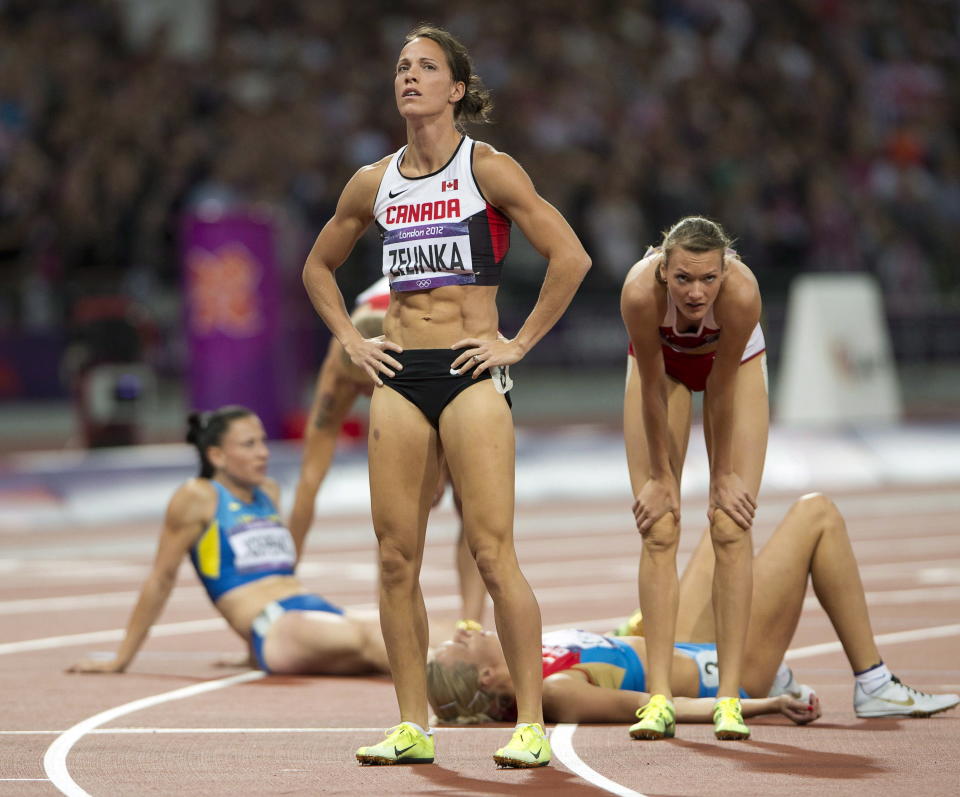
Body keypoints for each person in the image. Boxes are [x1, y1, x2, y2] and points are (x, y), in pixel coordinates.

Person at [301, 24, 591, 768]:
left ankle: (529, 723)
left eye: (426, 67)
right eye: (401, 66)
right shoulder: (374, 180)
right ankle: (410, 723)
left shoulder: (486, 169)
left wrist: (517, 341)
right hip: (399, 377)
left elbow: (571, 255)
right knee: (396, 558)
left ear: (456, 89)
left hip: (469, 374)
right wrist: (352, 339)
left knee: (493, 554)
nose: (409, 76)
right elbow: (317, 267)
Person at [427, 493, 959, 729]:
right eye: (463, 642)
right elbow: (660, 709)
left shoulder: (530, 656)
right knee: (816, 513)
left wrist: (633, 626)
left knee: (726, 519)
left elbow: (612, 649)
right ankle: (874, 683)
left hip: (684, 642)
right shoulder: (555, 692)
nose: (468, 629)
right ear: (491, 676)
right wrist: (766, 703)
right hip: (733, 671)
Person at [68, 406, 389, 678]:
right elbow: (161, 579)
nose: (263, 452)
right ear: (217, 455)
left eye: (262, 441)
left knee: (408, 629)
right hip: (276, 625)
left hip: (313, 608)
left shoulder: (268, 491)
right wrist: (121, 658)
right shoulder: (197, 496)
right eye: (249, 444)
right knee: (376, 638)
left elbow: (277, 572)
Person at [620, 216, 766, 740]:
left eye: (708, 279)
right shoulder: (639, 294)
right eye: (683, 279)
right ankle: (659, 698)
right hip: (665, 371)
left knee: (730, 521)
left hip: (734, 369)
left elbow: (723, 386)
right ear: (663, 269)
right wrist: (661, 476)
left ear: (725, 271)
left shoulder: (742, 295)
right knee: (658, 524)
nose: (696, 292)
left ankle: (729, 699)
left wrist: (722, 473)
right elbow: (652, 386)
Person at [289, 275, 487, 628]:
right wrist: (284, 583)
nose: (367, 399)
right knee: (394, 509)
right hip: (389, 327)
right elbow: (309, 476)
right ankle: (395, 617)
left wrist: (440, 467)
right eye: (361, 389)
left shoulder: (434, 343)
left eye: (376, 388)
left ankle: (470, 623)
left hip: (446, 347)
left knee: (469, 499)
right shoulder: (340, 370)